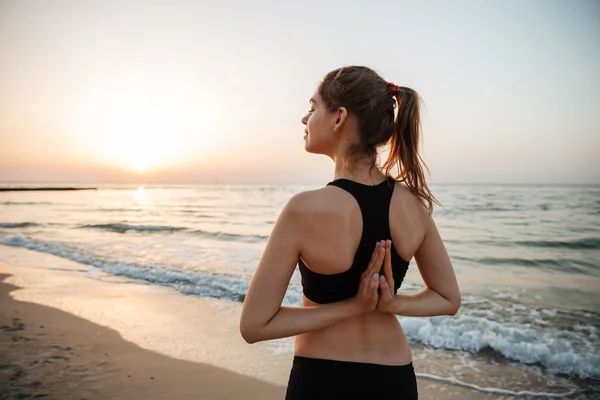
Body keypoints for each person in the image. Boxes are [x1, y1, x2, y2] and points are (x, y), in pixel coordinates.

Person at [240, 66, 461, 399]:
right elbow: (448, 299)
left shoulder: (303, 209)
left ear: (339, 117)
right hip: (395, 379)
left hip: (322, 378)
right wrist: (389, 305)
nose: (304, 119)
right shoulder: (413, 204)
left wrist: (353, 306)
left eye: (313, 108)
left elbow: (254, 326)